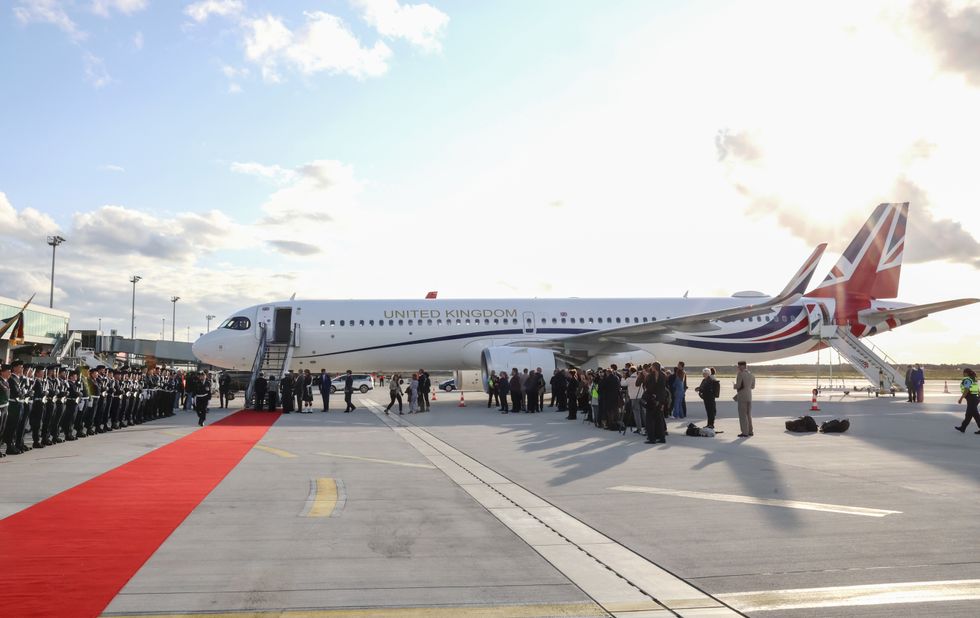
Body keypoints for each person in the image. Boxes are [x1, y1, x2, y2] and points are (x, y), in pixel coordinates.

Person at [643, 363, 668, 443]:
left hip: (652, 400)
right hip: (660, 400)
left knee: (650, 420)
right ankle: (661, 438)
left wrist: (645, 376)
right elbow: (663, 390)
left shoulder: (650, 376)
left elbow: (647, 387)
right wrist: (662, 403)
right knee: (659, 420)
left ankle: (651, 438)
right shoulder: (663, 375)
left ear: (653, 367)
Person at [955, 368, 980, 434]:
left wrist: (961, 398)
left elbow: (966, 390)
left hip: (972, 399)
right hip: (975, 398)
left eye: (963, 372)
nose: (963, 374)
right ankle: (963, 428)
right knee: (969, 414)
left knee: (975, 415)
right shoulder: (973, 379)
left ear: (966, 373)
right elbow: (977, 389)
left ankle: (963, 427)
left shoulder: (967, 380)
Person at [734, 361, 755, 437]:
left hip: (742, 396)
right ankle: (750, 431)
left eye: (738, 366)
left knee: (742, 415)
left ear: (742, 366)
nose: (738, 368)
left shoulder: (740, 374)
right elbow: (753, 387)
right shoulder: (751, 374)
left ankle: (744, 432)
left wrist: (734, 385)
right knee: (748, 414)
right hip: (749, 396)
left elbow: (738, 386)